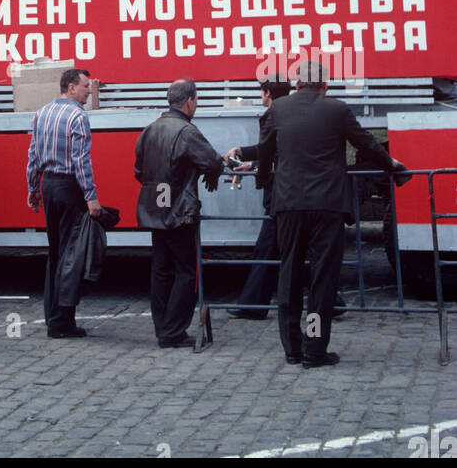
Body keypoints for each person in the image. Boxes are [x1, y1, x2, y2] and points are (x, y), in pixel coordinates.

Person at [256, 60, 409, 369]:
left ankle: (292, 348)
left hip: (288, 203)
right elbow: (366, 145)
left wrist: (262, 179)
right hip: (327, 205)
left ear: (297, 84)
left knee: (288, 273)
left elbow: (264, 151)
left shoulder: (279, 109)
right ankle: (314, 349)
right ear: (325, 86)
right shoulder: (336, 110)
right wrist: (392, 167)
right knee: (323, 280)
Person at [134, 78, 224, 348]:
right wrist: (211, 172)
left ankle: (164, 328)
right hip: (178, 209)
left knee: (161, 269)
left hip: (155, 207)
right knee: (186, 270)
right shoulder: (186, 131)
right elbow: (212, 161)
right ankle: (173, 331)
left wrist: (161, 189)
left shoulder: (150, 129)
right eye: (196, 100)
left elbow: (139, 172)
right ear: (189, 101)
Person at [27, 67, 101, 338]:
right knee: (71, 256)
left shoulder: (41, 113)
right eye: (86, 86)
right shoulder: (78, 117)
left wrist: (33, 187)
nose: (89, 91)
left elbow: (33, 154)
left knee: (56, 251)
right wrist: (91, 196)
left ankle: (52, 315)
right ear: (71, 87)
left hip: (49, 185)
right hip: (70, 187)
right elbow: (81, 160)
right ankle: (62, 322)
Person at [224, 77, 291, 319]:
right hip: (292, 194)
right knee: (295, 250)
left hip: (278, 196)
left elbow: (273, 155)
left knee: (266, 250)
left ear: (268, 93)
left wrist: (252, 165)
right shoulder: (293, 113)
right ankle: (331, 302)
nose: (261, 98)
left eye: (262, 93)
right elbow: (275, 151)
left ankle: (253, 304)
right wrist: (243, 151)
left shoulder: (270, 116)